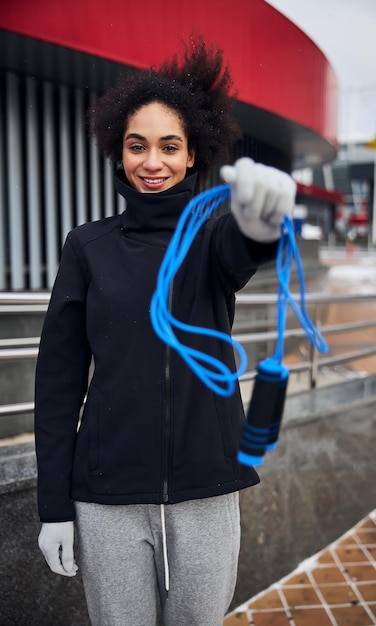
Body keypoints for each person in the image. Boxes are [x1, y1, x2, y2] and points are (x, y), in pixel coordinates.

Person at [35, 38, 296, 626]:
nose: (152, 162)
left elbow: (240, 247)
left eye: (168, 146)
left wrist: (259, 227)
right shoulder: (87, 247)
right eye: (137, 146)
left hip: (207, 490)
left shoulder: (210, 238)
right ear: (117, 153)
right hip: (107, 499)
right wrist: (53, 506)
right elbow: (57, 384)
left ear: (192, 154)